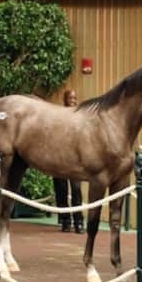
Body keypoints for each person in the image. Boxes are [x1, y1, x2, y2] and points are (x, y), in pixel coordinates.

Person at [53, 89, 85, 234]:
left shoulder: (80, 116)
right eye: (70, 98)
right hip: (59, 157)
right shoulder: (58, 115)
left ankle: (79, 222)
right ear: (64, 99)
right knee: (61, 190)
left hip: (75, 159)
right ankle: (65, 221)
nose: (73, 100)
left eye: (75, 98)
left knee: (77, 190)